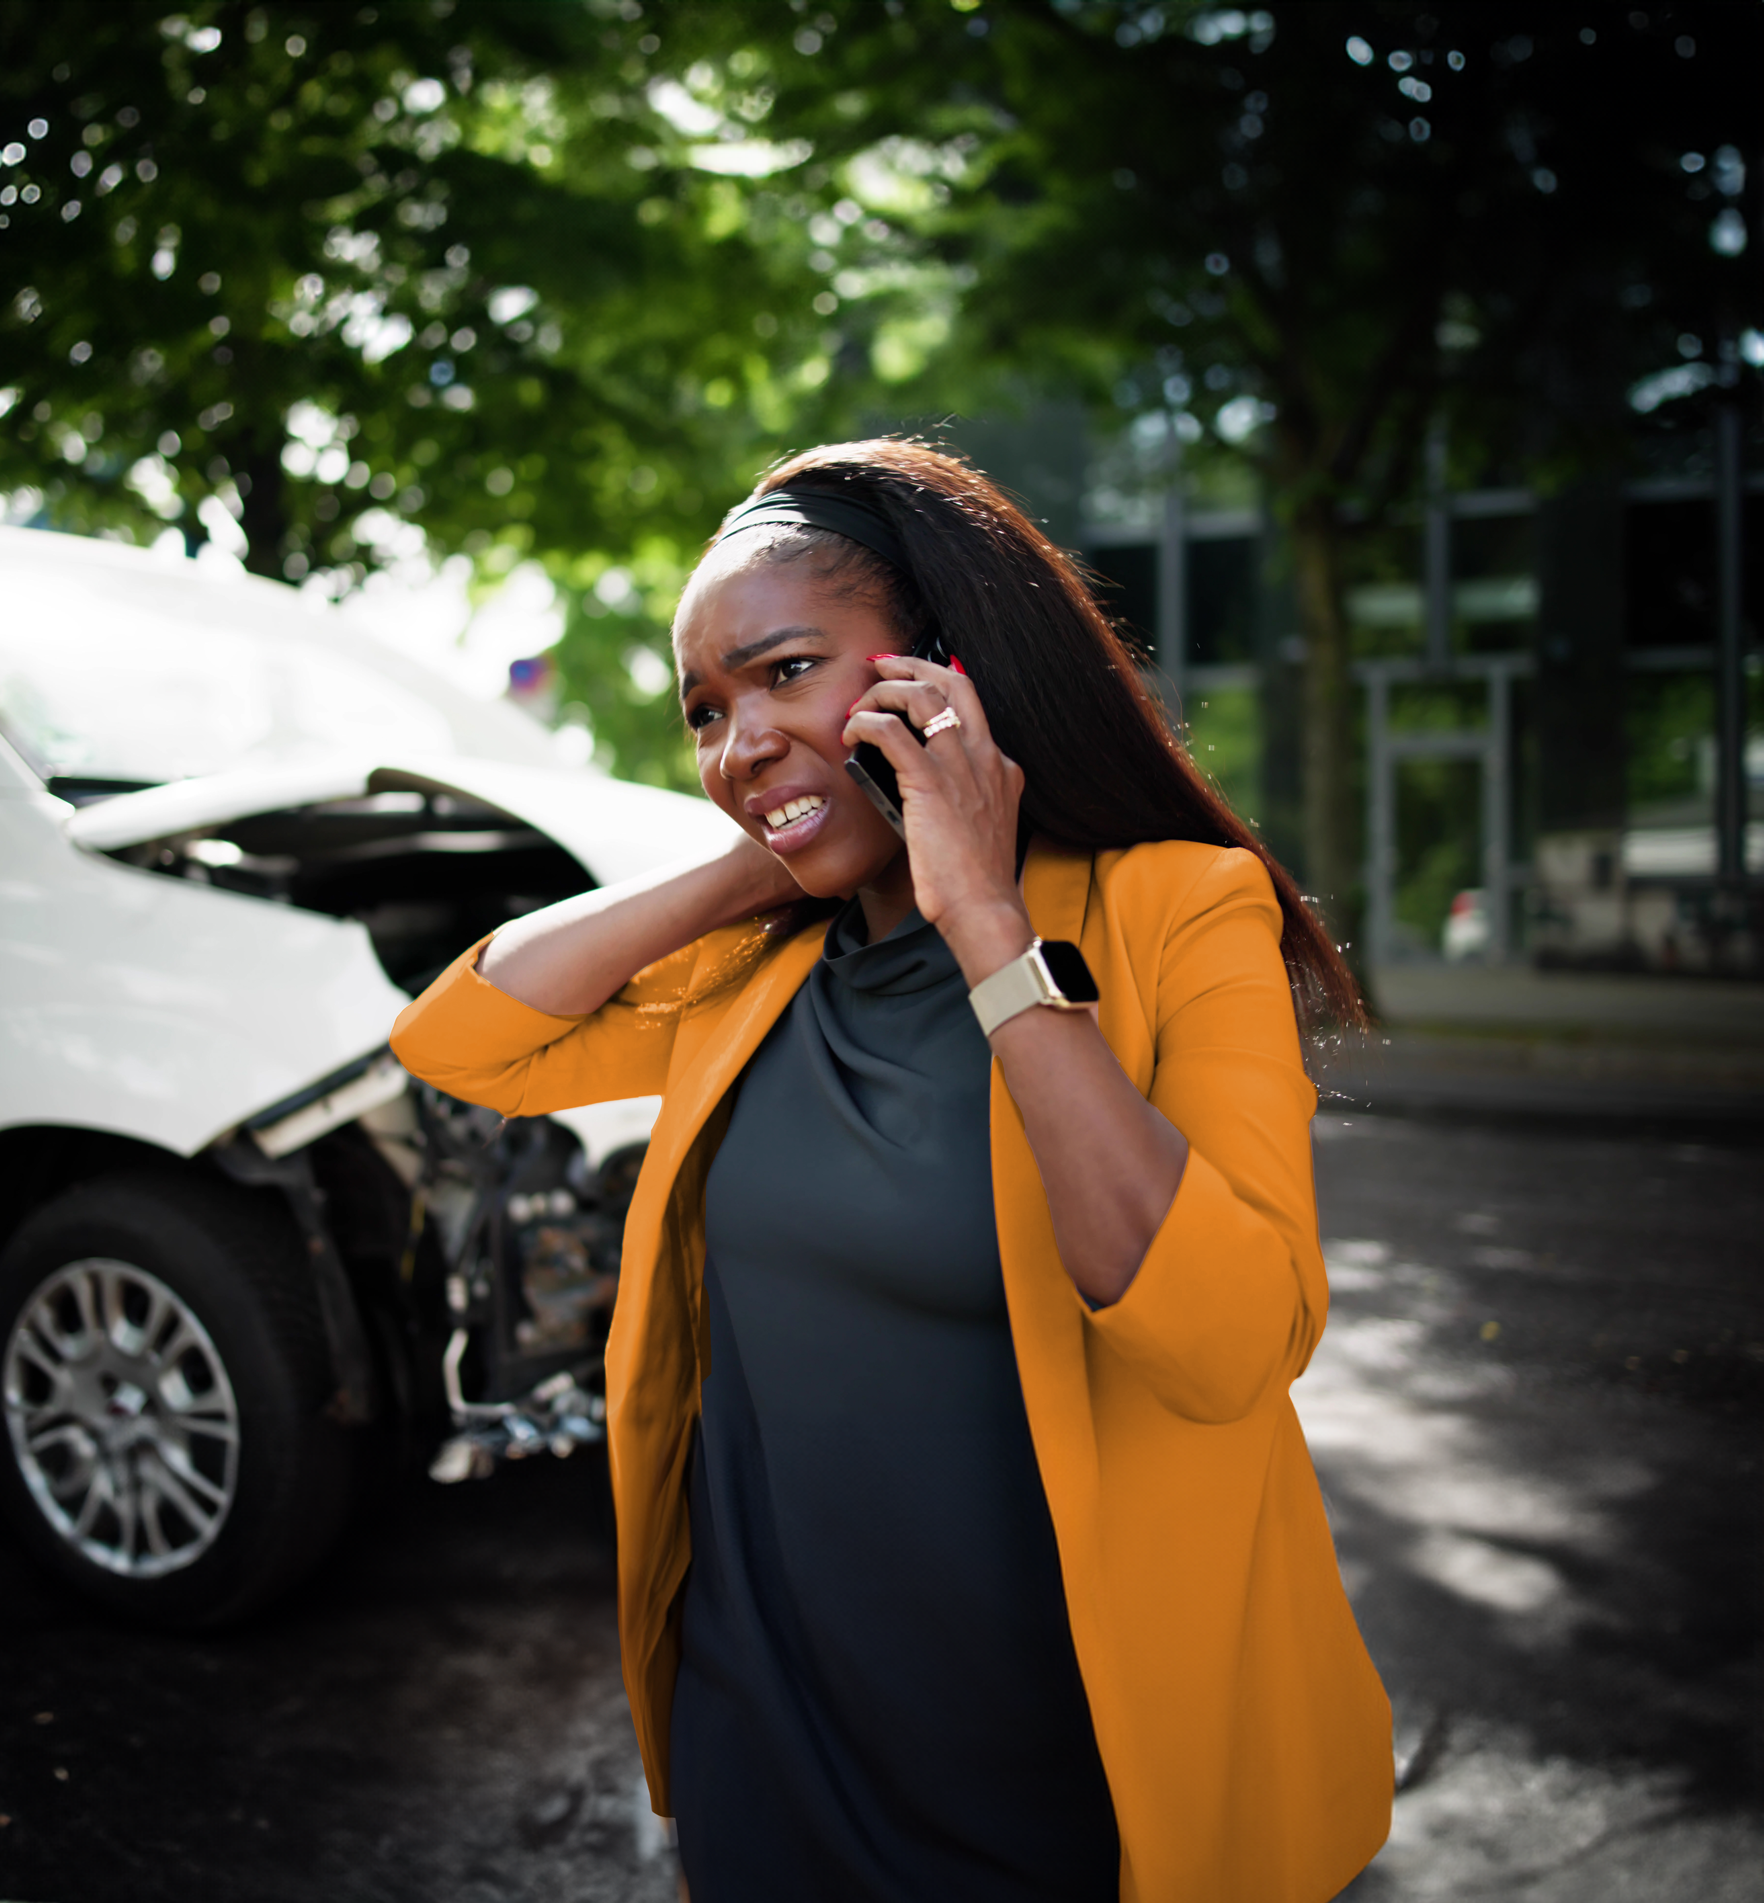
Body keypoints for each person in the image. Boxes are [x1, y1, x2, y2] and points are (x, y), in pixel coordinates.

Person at [391, 440, 1393, 1902]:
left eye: (784, 673)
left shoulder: (1180, 910)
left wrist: (983, 917)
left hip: (1072, 1784)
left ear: (947, 669)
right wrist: (770, 842)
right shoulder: (756, 971)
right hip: (772, 1756)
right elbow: (465, 1036)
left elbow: (1226, 1336)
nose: (735, 738)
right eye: (707, 713)